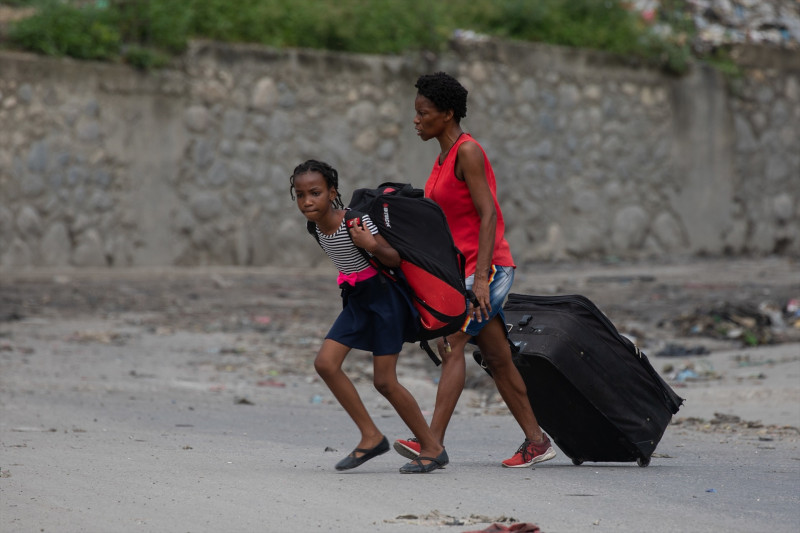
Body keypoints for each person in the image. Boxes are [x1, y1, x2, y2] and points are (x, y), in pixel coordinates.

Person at [393, 72, 557, 468]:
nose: (415, 120)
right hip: (461, 272)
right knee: (498, 358)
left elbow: (488, 216)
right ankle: (537, 442)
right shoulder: (442, 158)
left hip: (490, 269)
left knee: (452, 344)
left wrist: (481, 278)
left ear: (447, 114)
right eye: (415, 113)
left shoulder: (469, 152)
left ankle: (431, 444)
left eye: (423, 113)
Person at [290, 159, 448, 474]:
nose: (307, 201)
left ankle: (432, 447)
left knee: (384, 381)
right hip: (356, 300)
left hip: (384, 301)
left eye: (315, 193)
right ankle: (371, 436)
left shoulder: (354, 221)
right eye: (300, 194)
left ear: (332, 192)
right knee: (325, 363)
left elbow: (393, 258)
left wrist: (369, 243)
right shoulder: (315, 228)